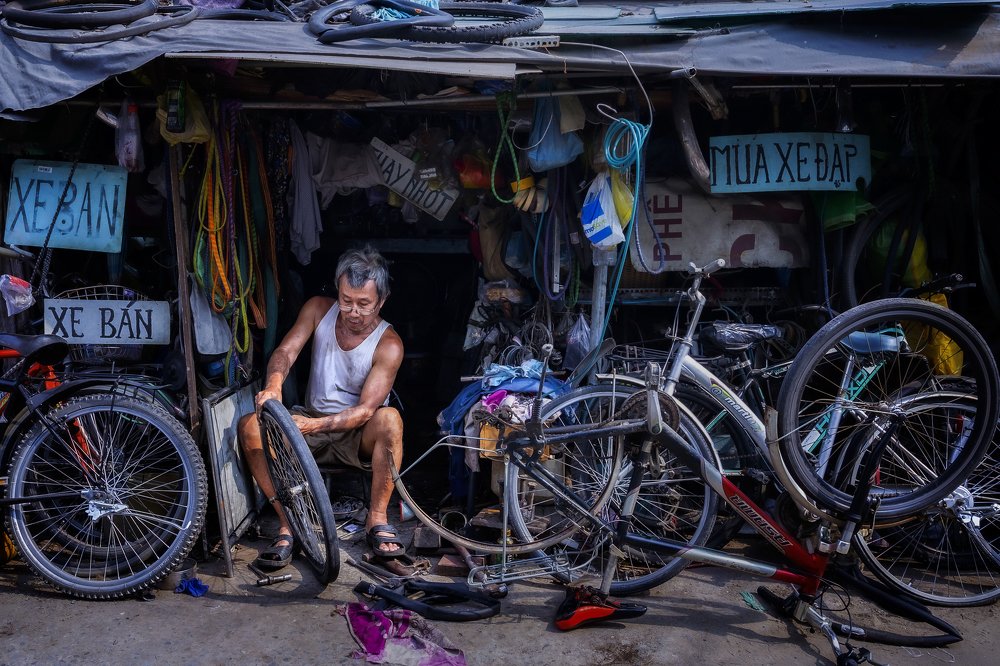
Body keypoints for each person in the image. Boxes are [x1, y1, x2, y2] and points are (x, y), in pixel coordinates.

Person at [238, 245, 405, 570]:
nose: (353, 312)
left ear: (381, 301)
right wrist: (273, 384)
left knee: (390, 420)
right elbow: (286, 351)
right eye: (346, 301)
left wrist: (308, 426)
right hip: (309, 420)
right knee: (249, 427)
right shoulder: (318, 309)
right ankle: (289, 523)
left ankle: (376, 518)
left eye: (364, 304)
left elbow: (365, 412)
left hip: (356, 433)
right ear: (337, 291)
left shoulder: (389, 343)